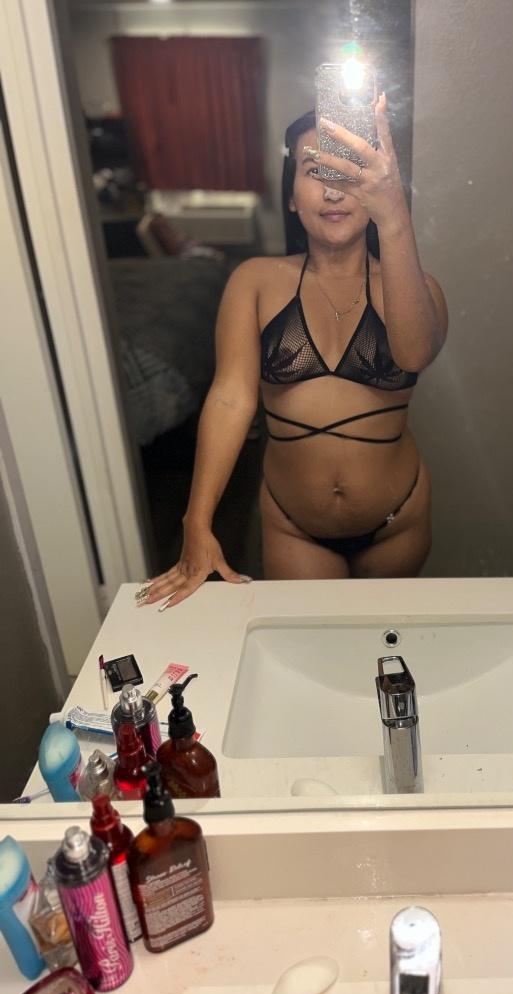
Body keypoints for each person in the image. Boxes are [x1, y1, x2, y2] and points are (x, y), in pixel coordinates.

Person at [139, 94, 447, 610]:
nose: (333, 189)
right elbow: (231, 398)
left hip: (399, 521)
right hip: (293, 526)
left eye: (349, 173)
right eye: (314, 170)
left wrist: (393, 214)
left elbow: (414, 355)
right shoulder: (254, 281)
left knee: (382, 645)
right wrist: (197, 520)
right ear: (290, 195)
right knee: (310, 650)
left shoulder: (420, 289)